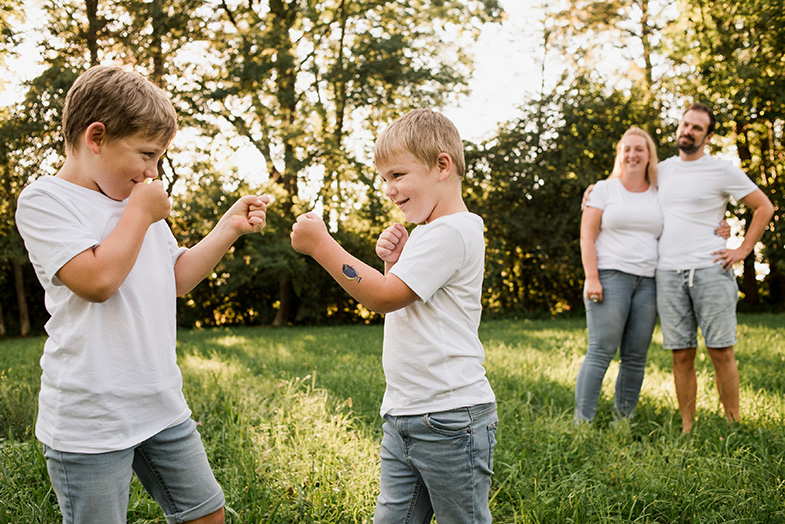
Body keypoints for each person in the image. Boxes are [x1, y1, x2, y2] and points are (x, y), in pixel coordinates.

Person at [15, 65, 271, 524]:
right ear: (96, 138)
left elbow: (173, 277)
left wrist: (228, 227)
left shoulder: (138, 204)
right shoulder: (46, 201)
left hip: (158, 400)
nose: (153, 172)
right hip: (90, 416)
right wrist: (138, 212)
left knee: (206, 514)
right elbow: (96, 281)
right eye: (146, 155)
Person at [290, 108, 497, 524]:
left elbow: (383, 299)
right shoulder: (431, 233)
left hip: (450, 419)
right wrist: (395, 266)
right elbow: (405, 299)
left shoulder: (452, 231)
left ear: (442, 165)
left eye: (398, 175)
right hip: (405, 413)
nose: (389, 189)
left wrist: (321, 245)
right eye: (384, 178)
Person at [655, 103, 774, 433]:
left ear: (707, 136)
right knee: (681, 354)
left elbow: (764, 206)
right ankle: (687, 425)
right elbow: (627, 187)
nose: (687, 131)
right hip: (668, 273)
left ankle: (733, 423)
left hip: (710, 270)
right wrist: (596, 192)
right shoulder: (661, 169)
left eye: (696, 128)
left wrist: (744, 247)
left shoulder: (722, 170)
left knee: (720, 351)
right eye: (685, 124)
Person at [575, 126, 662, 423]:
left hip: (649, 282)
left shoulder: (660, 192)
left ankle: (623, 421)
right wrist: (592, 277)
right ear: (619, 154)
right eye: (627, 149)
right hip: (610, 277)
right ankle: (582, 422)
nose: (632, 154)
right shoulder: (603, 189)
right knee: (601, 352)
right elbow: (587, 237)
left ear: (649, 155)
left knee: (636, 357)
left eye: (639, 149)